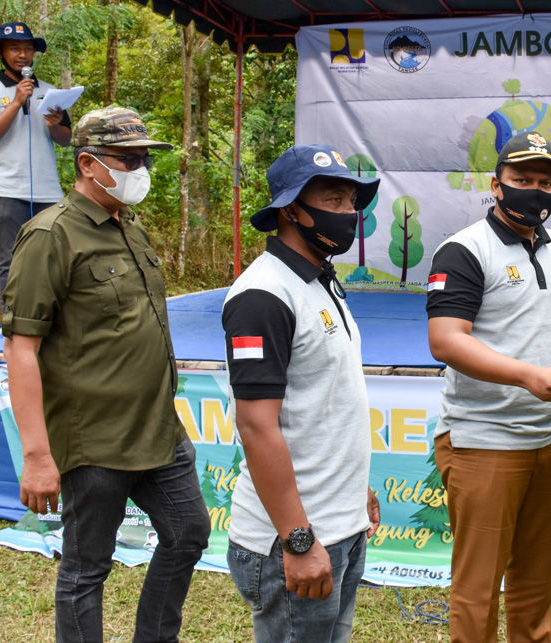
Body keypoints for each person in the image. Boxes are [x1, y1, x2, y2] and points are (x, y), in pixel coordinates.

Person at [2, 107, 210, 643]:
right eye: (129, 158)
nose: (141, 168)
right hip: (93, 436)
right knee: (87, 566)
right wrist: (37, 455)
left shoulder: (130, 226)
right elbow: (21, 348)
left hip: (158, 430)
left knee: (189, 535)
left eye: (145, 157)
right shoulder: (49, 235)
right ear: (89, 164)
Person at [427, 132, 551, 642]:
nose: (535, 190)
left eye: (545, 182)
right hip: (485, 440)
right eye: (522, 180)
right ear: (496, 185)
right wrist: (528, 375)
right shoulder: (464, 251)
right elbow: (445, 341)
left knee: (537, 582)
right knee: (478, 586)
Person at [223, 144, 382, 643]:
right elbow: (256, 426)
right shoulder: (263, 296)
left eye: (352, 201)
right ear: (291, 210)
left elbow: (324, 404)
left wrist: (358, 495)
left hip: (340, 525)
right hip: (294, 538)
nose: (349, 213)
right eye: (333, 200)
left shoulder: (319, 280)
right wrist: (297, 540)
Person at [0, 22, 72, 305]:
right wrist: (15, 102)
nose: (23, 54)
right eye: (15, 48)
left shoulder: (50, 92)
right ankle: (13, 329)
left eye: (28, 48)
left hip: (48, 192)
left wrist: (54, 125)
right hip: (7, 191)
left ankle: (49, 325)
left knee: (52, 262)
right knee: (12, 262)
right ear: (1, 53)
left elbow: (65, 139)